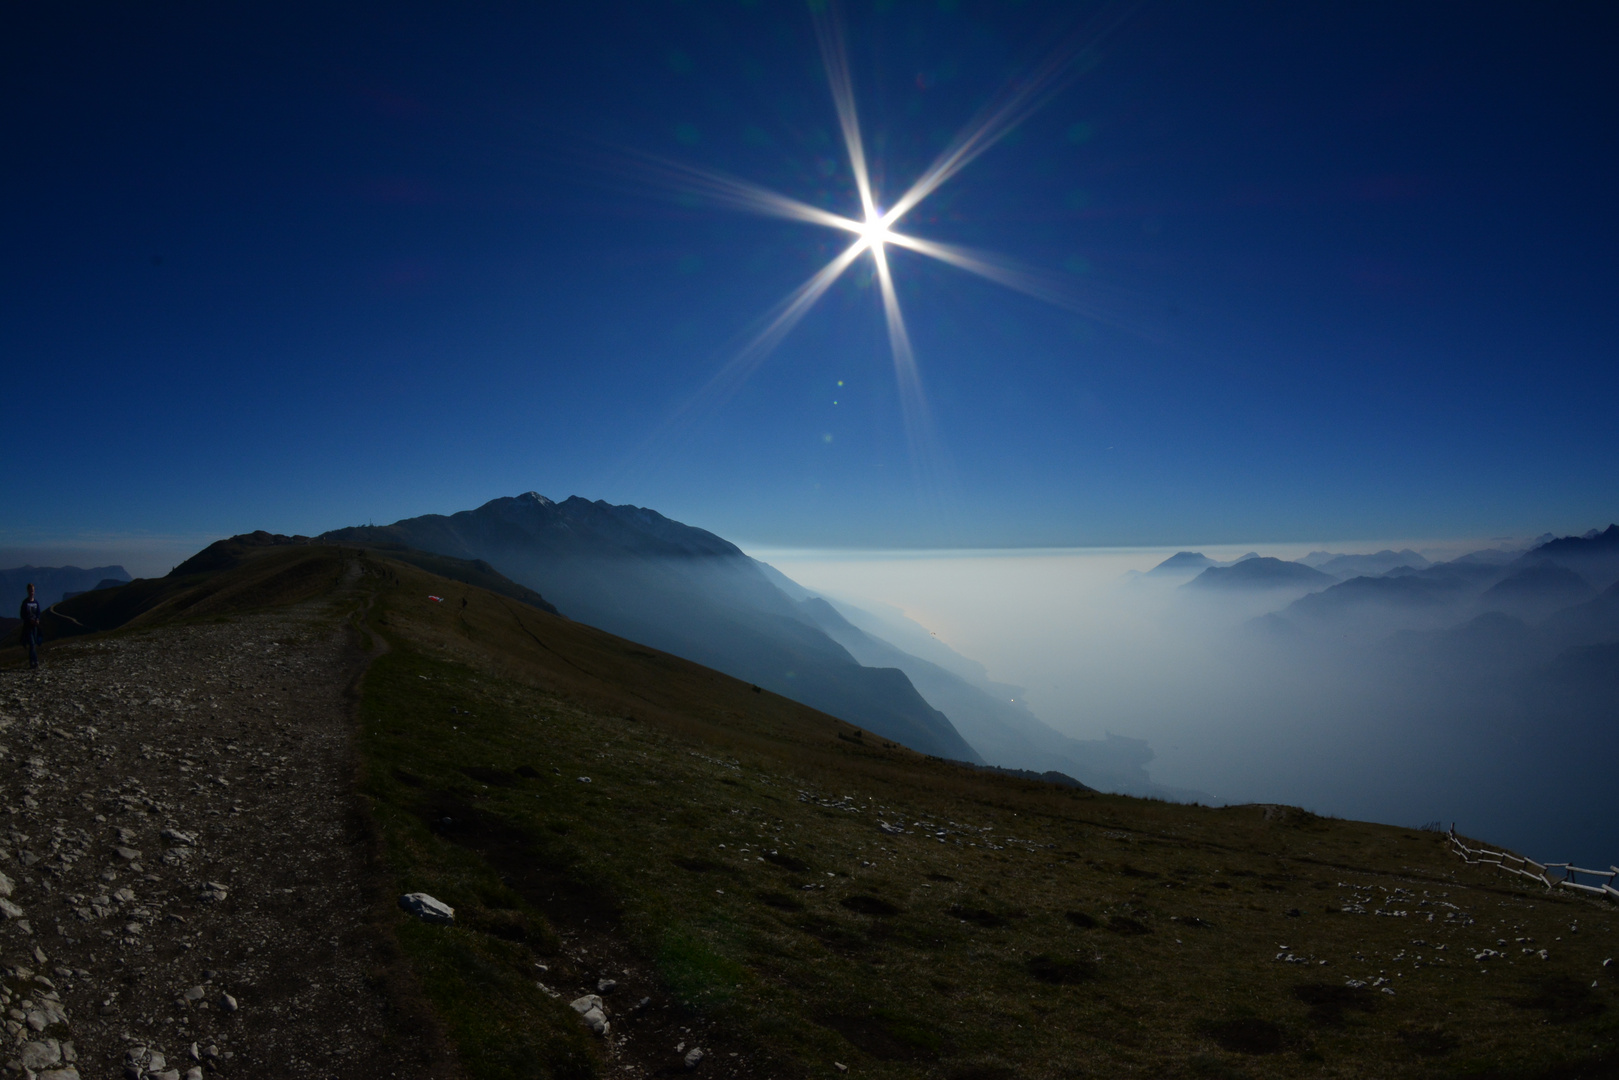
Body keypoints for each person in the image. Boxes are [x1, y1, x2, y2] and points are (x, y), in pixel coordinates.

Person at [19, 583, 42, 669]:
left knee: (33, 644)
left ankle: (31, 662)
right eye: (30, 590)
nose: (32, 592)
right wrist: (29, 620)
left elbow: (38, 612)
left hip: (35, 626)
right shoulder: (25, 603)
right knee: (32, 644)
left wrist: (37, 619)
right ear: (28, 591)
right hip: (28, 626)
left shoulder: (36, 602)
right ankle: (35, 661)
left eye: (33, 590)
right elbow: (22, 614)